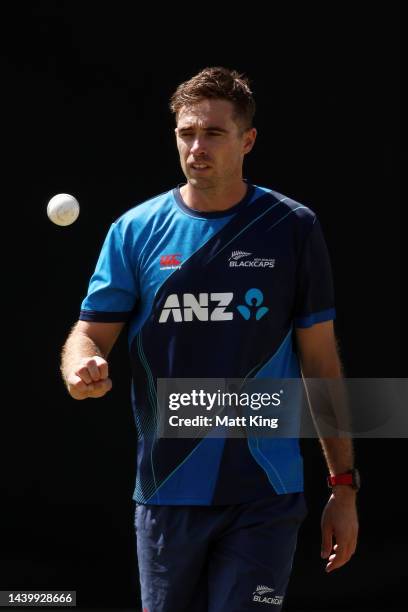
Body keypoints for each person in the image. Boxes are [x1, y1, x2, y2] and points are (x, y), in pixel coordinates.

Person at [61, 66, 359, 611]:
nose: (197, 147)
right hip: (166, 492)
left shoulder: (292, 227)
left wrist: (343, 486)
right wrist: (82, 365)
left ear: (247, 140)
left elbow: (321, 362)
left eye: (214, 133)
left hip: (265, 494)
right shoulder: (133, 231)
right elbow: (89, 333)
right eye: (186, 133)